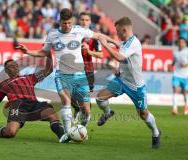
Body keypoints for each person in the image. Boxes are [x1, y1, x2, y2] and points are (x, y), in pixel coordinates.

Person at [16, 8, 108, 133]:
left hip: (80, 75)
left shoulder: (79, 31)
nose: (67, 26)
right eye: (64, 23)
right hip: (62, 75)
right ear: (60, 22)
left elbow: (97, 35)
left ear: (73, 21)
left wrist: (112, 43)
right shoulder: (53, 35)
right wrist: (27, 51)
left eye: (70, 23)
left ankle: (81, 128)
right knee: (66, 101)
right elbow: (44, 52)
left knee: (86, 110)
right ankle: (68, 132)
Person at [0, 53, 68, 143]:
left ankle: (63, 137)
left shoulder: (30, 78)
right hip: (18, 106)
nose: (13, 67)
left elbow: (48, 70)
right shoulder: (4, 85)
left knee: (52, 114)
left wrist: (48, 52)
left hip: (34, 104)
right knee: (10, 132)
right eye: (10, 66)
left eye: (15, 65)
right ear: (6, 71)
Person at [96, 17, 161, 149]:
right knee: (99, 98)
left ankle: (156, 132)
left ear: (124, 30)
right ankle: (108, 112)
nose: (117, 34)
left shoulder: (134, 43)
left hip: (136, 86)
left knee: (143, 114)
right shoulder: (125, 42)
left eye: (118, 31)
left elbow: (120, 57)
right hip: (121, 80)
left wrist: (105, 44)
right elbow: (120, 51)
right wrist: (104, 38)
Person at [71, 11, 103, 124]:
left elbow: (101, 55)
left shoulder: (93, 37)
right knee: (70, 95)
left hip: (88, 69)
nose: (84, 22)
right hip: (73, 68)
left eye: (86, 20)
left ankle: (84, 122)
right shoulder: (73, 33)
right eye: (82, 19)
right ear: (79, 21)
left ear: (90, 22)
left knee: (85, 98)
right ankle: (76, 109)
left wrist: (88, 51)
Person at [169, 37, 188, 115]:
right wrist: (171, 65)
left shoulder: (187, 51)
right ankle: (174, 108)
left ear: (185, 43)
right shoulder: (175, 51)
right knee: (175, 90)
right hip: (176, 74)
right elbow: (174, 60)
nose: (181, 44)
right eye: (180, 42)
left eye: (183, 42)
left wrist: (185, 65)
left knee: (184, 92)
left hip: (185, 75)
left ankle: (186, 105)